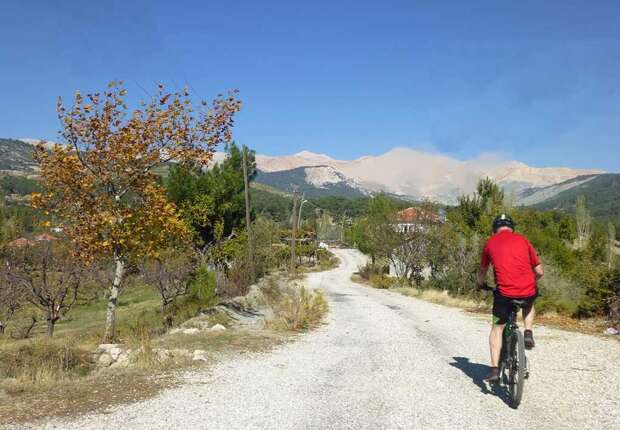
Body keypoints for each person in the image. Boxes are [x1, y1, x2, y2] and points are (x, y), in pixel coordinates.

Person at [478, 214, 544, 383]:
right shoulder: (523, 240)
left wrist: (480, 283)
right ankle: (528, 332)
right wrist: (530, 282)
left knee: (497, 328)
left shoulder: (490, 243)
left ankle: (494, 370)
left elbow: (483, 270)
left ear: (495, 228)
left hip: (504, 293)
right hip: (526, 289)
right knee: (530, 301)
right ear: (512, 227)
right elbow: (539, 272)